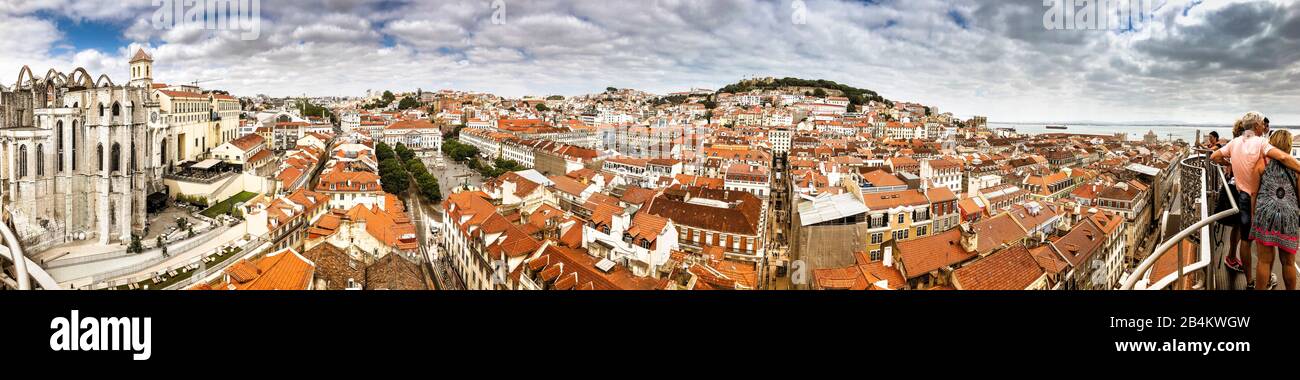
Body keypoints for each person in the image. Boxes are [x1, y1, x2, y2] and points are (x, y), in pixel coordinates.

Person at [1210, 112, 1300, 289]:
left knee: (1247, 241)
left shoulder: (1235, 142)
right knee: (1282, 258)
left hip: (1245, 196)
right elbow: (1282, 157)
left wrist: (1230, 162)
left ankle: (1250, 280)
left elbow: (1214, 157)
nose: (1263, 127)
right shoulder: (1261, 142)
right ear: (1258, 126)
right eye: (1262, 124)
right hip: (1266, 202)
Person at [1249, 129, 1299, 290]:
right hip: (1288, 215)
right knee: (1289, 262)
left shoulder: (1262, 162)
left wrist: (1253, 212)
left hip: (1265, 213)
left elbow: (1253, 192)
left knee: (1264, 261)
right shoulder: (1296, 168)